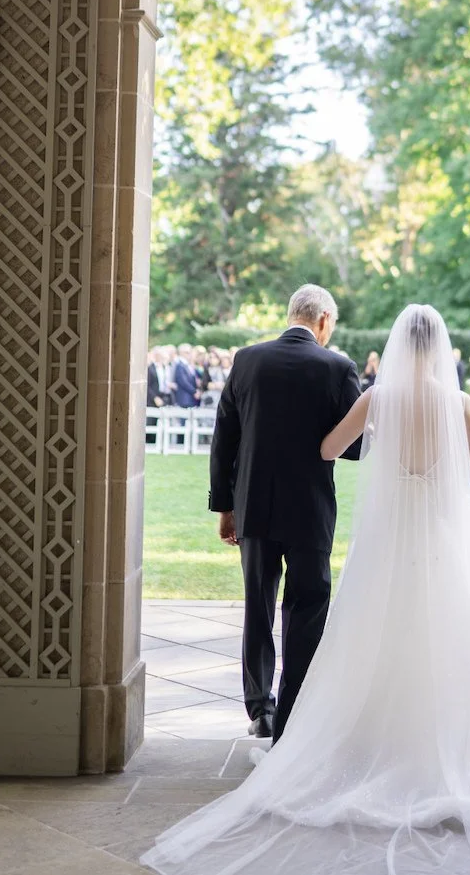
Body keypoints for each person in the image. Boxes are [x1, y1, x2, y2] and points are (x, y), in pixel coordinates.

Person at [142, 304, 470, 875]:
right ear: (440, 347)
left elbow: (328, 449)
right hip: (444, 532)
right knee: (454, 629)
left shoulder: (379, 397)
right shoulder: (460, 403)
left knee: (375, 630)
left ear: (401, 343)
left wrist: (380, 441)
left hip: (390, 535)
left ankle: (356, 734)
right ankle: (446, 736)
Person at [205, 285, 363, 744]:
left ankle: (260, 708)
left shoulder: (247, 360)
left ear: (292, 313)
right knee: (307, 606)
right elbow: (354, 447)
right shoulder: (337, 368)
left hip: (253, 504)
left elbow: (224, 438)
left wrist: (225, 507)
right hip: (310, 508)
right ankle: (294, 713)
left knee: (258, 603)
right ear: (324, 320)